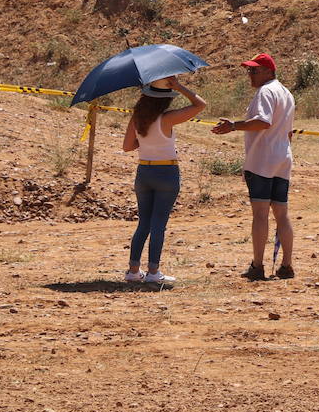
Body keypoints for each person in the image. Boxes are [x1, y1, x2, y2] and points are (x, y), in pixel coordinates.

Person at [210, 54, 296, 281]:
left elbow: (263, 121)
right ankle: (286, 265)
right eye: (249, 70)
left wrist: (233, 126)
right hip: (282, 158)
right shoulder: (286, 93)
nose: (250, 74)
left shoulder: (266, 92)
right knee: (282, 214)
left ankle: (258, 266)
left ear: (269, 72)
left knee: (260, 214)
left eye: (255, 70)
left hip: (262, 159)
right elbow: (288, 132)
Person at [122, 75, 207, 284]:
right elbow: (200, 104)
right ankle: (153, 272)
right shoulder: (167, 118)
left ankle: (133, 270)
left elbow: (127, 146)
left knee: (143, 223)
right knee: (159, 223)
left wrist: (148, 144)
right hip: (166, 172)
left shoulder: (137, 118)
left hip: (144, 171)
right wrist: (180, 86)